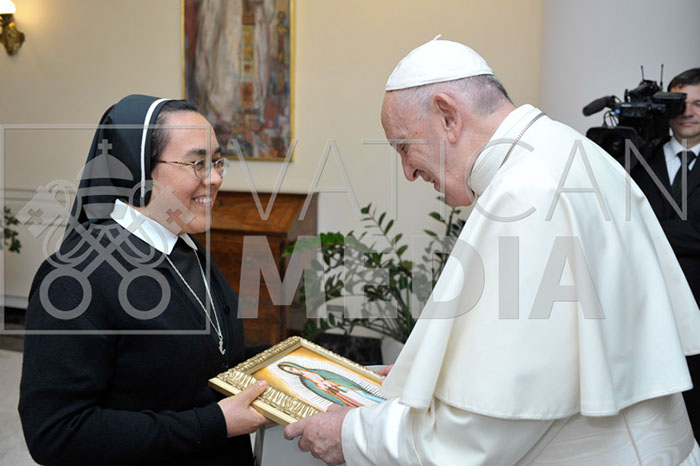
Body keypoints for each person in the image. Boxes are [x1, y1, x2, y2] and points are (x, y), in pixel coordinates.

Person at [283, 38, 700, 465]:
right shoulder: (566, 150)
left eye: (404, 147)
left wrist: (351, 435)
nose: (407, 171)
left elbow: (479, 434)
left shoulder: (527, 194)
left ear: (448, 116)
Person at [18, 95, 269, 465]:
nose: (215, 178)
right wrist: (213, 423)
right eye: (198, 163)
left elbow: (210, 356)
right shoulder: (75, 277)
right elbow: (56, 432)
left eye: (217, 162)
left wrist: (293, 366)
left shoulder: (183, 244)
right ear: (138, 170)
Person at [631, 67, 700, 438]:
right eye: (679, 102)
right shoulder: (636, 159)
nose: (688, 111)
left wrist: (649, 231)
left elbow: (636, 229)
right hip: (646, 313)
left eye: (699, 104)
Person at [277, 362, 387, 408]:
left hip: (343, 387)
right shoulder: (305, 381)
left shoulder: (316, 371)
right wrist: (323, 387)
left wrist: (332, 383)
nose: (293, 371)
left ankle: (383, 404)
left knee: (363, 396)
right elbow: (318, 391)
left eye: (291, 368)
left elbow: (336, 378)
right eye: (289, 371)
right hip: (337, 394)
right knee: (356, 402)